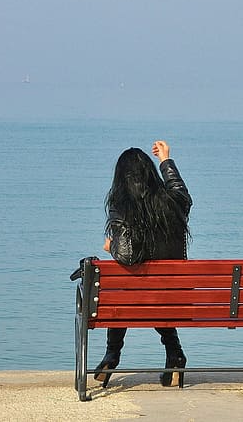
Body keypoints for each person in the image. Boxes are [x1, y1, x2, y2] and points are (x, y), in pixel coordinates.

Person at [94, 140, 192, 388]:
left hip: (137, 298)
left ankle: (112, 354)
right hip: (175, 295)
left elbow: (126, 255)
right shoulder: (173, 203)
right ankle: (175, 354)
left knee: (123, 295)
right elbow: (181, 193)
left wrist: (110, 247)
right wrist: (166, 160)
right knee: (157, 297)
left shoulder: (121, 207)